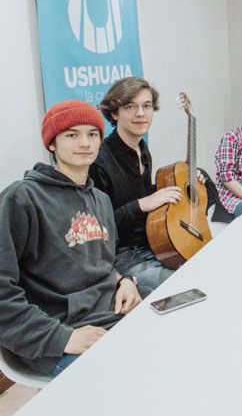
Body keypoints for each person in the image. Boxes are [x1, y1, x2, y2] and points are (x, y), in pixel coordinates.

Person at [0, 101, 142, 376]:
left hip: (109, 318)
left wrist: (125, 281)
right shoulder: (22, 199)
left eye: (92, 134)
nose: (85, 142)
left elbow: (101, 263)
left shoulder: (100, 199)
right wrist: (62, 337)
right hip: (58, 334)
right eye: (72, 134)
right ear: (51, 143)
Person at [91, 78, 177, 291]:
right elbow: (100, 230)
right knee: (182, 287)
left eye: (146, 106)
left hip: (152, 243)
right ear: (114, 113)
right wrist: (141, 205)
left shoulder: (142, 148)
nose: (141, 113)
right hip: (122, 257)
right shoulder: (98, 160)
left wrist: (183, 184)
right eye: (130, 106)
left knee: (206, 266)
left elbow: (144, 195)